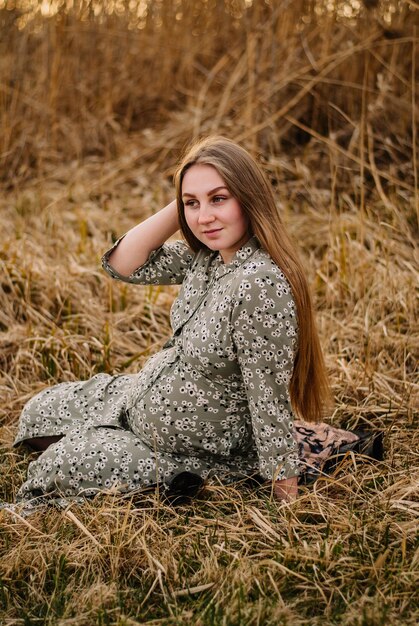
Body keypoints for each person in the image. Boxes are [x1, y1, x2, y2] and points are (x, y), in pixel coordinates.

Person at [13, 137, 375, 508]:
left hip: (195, 446)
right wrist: (187, 202)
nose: (204, 217)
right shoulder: (211, 256)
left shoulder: (259, 285)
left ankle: (176, 479)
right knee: (37, 413)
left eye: (219, 198)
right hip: (136, 399)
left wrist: (286, 502)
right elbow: (124, 263)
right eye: (192, 203)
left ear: (249, 198)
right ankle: (110, 438)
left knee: (57, 465)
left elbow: (268, 401)